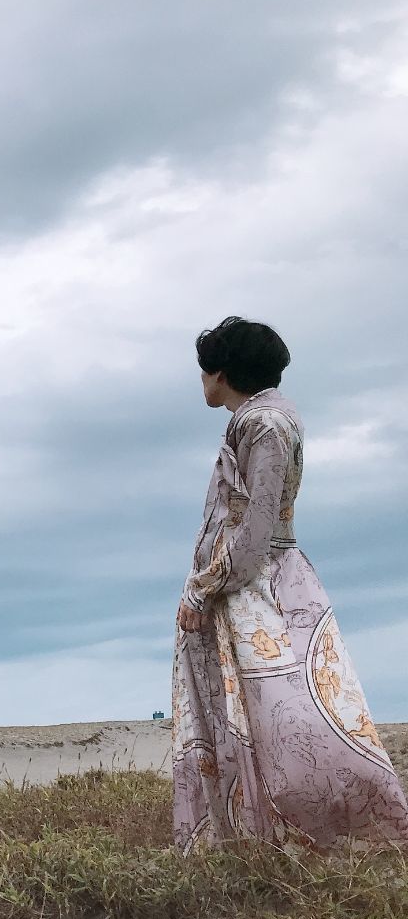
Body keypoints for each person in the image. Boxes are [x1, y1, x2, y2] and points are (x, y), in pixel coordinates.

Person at [172, 317, 408, 853]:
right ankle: (267, 839)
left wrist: (205, 589)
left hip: (259, 587)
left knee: (279, 713)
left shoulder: (264, 425)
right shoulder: (268, 418)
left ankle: (323, 833)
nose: (202, 382)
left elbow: (255, 531)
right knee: (272, 712)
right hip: (266, 579)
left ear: (221, 373)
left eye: (205, 371)